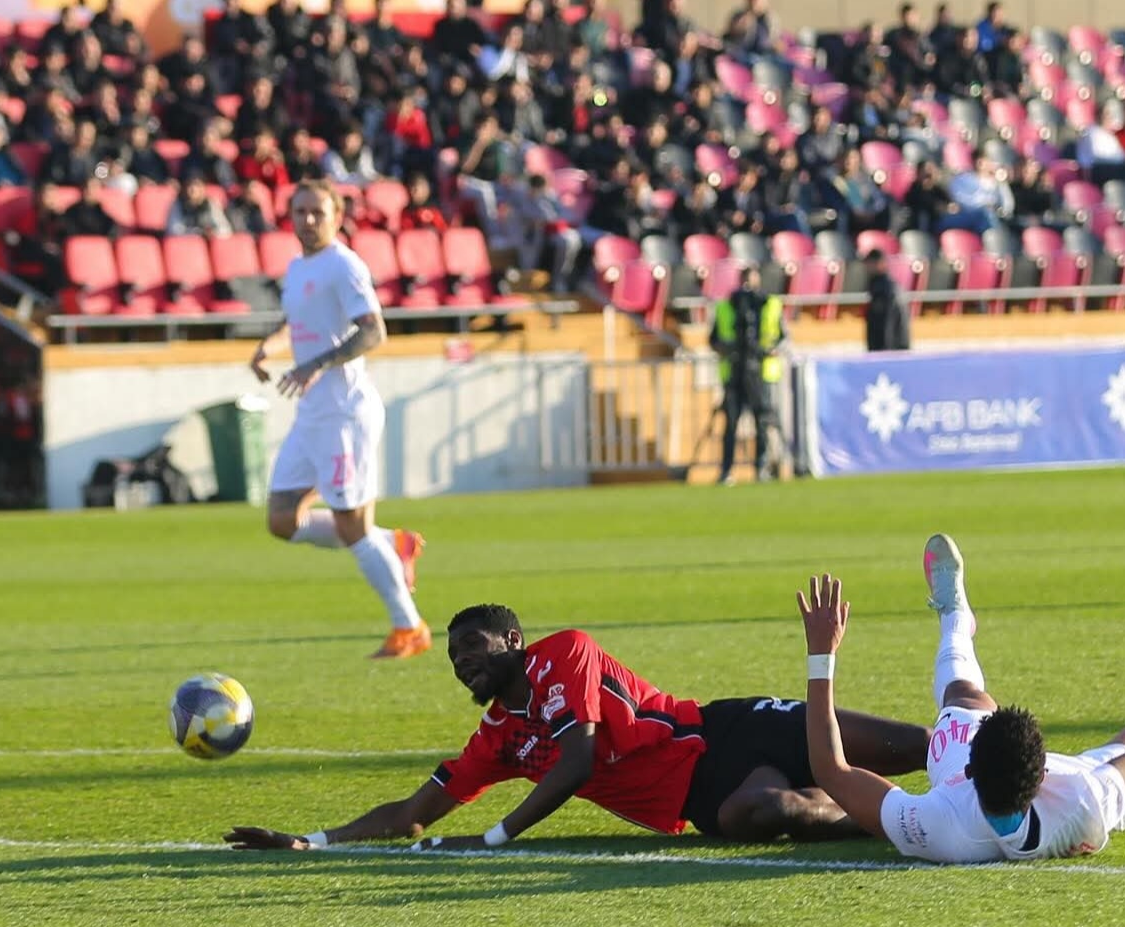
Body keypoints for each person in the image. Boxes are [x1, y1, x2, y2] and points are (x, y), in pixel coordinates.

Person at [225, 602, 933, 852]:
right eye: (452, 658)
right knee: (768, 810)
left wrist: (497, 836)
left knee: (919, 745)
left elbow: (579, 760)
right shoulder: (498, 739)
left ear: (513, 642)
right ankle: (901, 823)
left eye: (473, 649)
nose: (461, 664)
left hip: (725, 728)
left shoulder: (564, 652)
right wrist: (310, 840)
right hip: (699, 798)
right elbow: (413, 814)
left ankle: (1015, 776)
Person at [796, 535, 1125, 863]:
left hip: (982, 792)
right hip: (1080, 808)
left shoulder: (939, 824)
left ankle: (955, 616)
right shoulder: (1080, 796)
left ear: (970, 768)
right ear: (1042, 769)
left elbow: (832, 771)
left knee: (963, 695)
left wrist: (821, 654)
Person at [248, 179, 430, 660]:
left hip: (345, 415)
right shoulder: (297, 267)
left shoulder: (345, 265)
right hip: (312, 416)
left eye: (317, 212)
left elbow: (373, 331)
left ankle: (408, 628)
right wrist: (272, 346)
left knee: (352, 527)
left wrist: (316, 364)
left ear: (337, 216)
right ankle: (392, 542)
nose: (308, 220)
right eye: (300, 211)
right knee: (282, 519)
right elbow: (301, 323)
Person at [710, 266, 786, 486]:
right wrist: (727, 348)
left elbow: (782, 337)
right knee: (731, 424)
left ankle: (761, 467)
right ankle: (726, 470)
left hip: (761, 372)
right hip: (734, 372)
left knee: (761, 421)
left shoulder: (770, 305)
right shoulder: (726, 306)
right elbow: (713, 339)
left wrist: (769, 349)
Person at [863, 250, 909, 353]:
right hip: (895, 349)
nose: (867, 268)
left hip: (890, 350)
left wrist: (884, 352)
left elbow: (888, 324)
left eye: (870, 264)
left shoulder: (884, 289)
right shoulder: (885, 285)